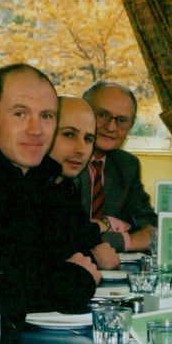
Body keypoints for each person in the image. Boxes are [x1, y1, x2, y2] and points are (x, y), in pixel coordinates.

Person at [0, 64, 100, 344]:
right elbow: (5, 290)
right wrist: (74, 279)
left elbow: (72, 252)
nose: (36, 129)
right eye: (20, 114)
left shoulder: (40, 177)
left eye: (46, 116)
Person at [79, 81, 157, 252]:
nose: (111, 127)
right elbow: (65, 237)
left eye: (122, 120)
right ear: (83, 113)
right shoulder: (64, 159)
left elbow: (150, 227)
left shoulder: (126, 165)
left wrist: (107, 224)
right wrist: (127, 240)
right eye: (102, 115)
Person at [49, 95, 120, 270]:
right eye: (69, 135)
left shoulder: (65, 187)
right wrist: (93, 256)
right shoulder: (25, 189)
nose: (81, 150)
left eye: (88, 139)